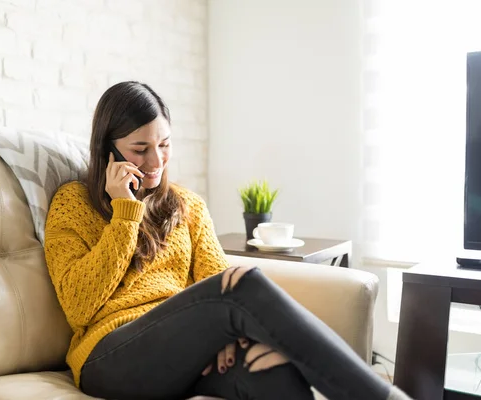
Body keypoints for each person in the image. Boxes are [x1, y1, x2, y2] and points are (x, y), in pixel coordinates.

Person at [44, 81, 410, 400]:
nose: (156, 160)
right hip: (108, 356)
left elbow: (214, 282)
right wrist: (125, 212)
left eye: (165, 144)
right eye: (140, 149)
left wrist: (226, 338)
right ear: (108, 150)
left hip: (183, 350)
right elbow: (79, 307)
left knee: (272, 370)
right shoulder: (73, 203)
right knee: (243, 283)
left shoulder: (187, 206)